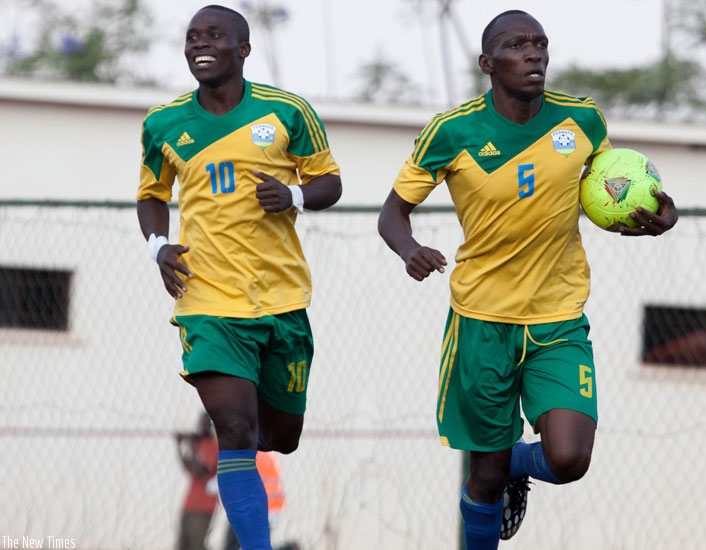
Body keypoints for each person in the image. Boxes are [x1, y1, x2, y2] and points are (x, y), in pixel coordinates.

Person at [377, 10, 678, 550]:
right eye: (517, 45)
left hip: (558, 319)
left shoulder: (582, 120)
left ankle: (515, 462)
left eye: (540, 43)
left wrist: (658, 213)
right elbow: (392, 214)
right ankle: (498, 471)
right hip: (481, 321)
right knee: (485, 480)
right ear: (488, 63)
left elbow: (613, 189)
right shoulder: (452, 132)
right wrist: (410, 249)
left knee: (569, 459)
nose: (534, 53)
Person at [136, 5, 342, 550]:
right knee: (234, 431)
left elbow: (329, 182)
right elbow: (151, 195)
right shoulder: (163, 123)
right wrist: (159, 247)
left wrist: (293, 195)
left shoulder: (288, 111)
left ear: (243, 48)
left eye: (215, 35)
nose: (200, 44)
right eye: (192, 37)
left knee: (281, 437)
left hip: (281, 299)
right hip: (207, 300)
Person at [223, 451, 300, 550]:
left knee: (233, 544)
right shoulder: (264, 453)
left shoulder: (246, 454)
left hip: (254, 510)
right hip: (271, 509)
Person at [175, 412, 219, 550]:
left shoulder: (213, 446)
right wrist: (179, 446)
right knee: (183, 544)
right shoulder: (198, 443)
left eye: (205, 424)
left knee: (196, 544)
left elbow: (201, 470)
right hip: (190, 503)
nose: (201, 427)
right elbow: (188, 466)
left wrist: (192, 446)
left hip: (204, 506)